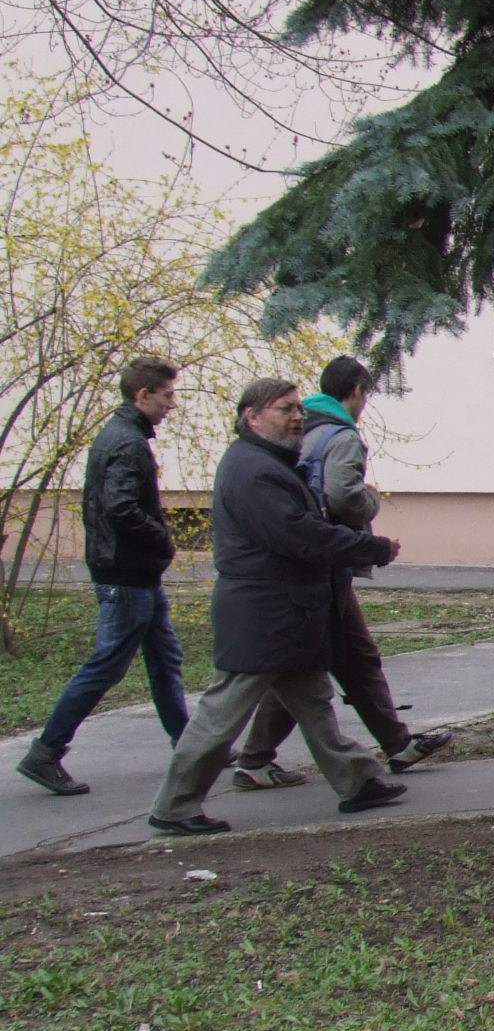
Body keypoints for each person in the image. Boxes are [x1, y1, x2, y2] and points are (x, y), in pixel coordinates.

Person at [147, 380, 410, 836]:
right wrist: (371, 547)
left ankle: (359, 782)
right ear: (252, 417)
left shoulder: (267, 462)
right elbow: (300, 534)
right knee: (222, 714)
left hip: (286, 612)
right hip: (262, 615)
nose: (297, 417)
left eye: (298, 410)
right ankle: (175, 806)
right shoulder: (253, 470)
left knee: (314, 702)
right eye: (285, 409)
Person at [230, 358, 453, 790]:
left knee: (353, 655)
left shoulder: (300, 430)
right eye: (366, 396)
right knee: (300, 669)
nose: (293, 415)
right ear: (355, 392)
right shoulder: (342, 435)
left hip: (312, 563)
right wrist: (370, 503)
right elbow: (341, 496)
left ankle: (396, 744)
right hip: (324, 562)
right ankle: (253, 762)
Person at [17, 357, 190, 796]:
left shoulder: (121, 435)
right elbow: (121, 507)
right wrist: (161, 539)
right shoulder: (127, 442)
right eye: (168, 395)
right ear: (143, 395)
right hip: (126, 572)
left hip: (134, 571)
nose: (172, 404)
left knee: (165, 658)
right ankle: (45, 752)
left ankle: (191, 745)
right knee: (107, 665)